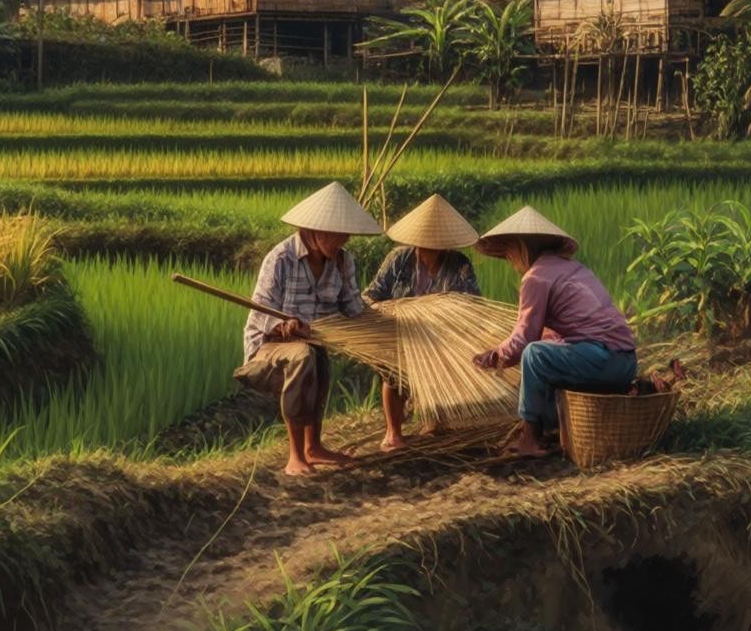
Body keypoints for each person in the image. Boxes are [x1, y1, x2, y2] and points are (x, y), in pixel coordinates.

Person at [236, 181, 379, 477]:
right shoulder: (281, 259)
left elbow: (352, 309)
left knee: (317, 356)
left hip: (315, 341)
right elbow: (261, 311)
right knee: (303, 355)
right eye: (335, 234)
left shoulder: (343, 261)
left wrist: (373, 313)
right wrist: (282, 326)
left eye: (345, 234)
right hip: (269, 347)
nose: (342, 240)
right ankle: (296, 455)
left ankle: (315, 447)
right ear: (314, 230)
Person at [471, 206, 637, 458]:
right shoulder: (573, 269)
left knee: (535, 355)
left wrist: (494, 356)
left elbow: (524, 340)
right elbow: (562, 335)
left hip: (603, 359)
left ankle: (530, 438)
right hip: (624, 363)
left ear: (522, 248)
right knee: (545, 354)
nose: (510, 260)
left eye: (510, 252)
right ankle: (552, 428)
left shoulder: (535, 278)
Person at [364, 194, 482, 450]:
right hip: (400, 334)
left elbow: (471, 303)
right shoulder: (398, 260)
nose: (432, 246)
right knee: (392, 372)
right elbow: (371, 296)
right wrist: (392, 311)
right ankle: (393, 432)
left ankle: (433, 420)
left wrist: (438, 312)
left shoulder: (459, 264)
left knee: (442, 361)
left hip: (440, 335)